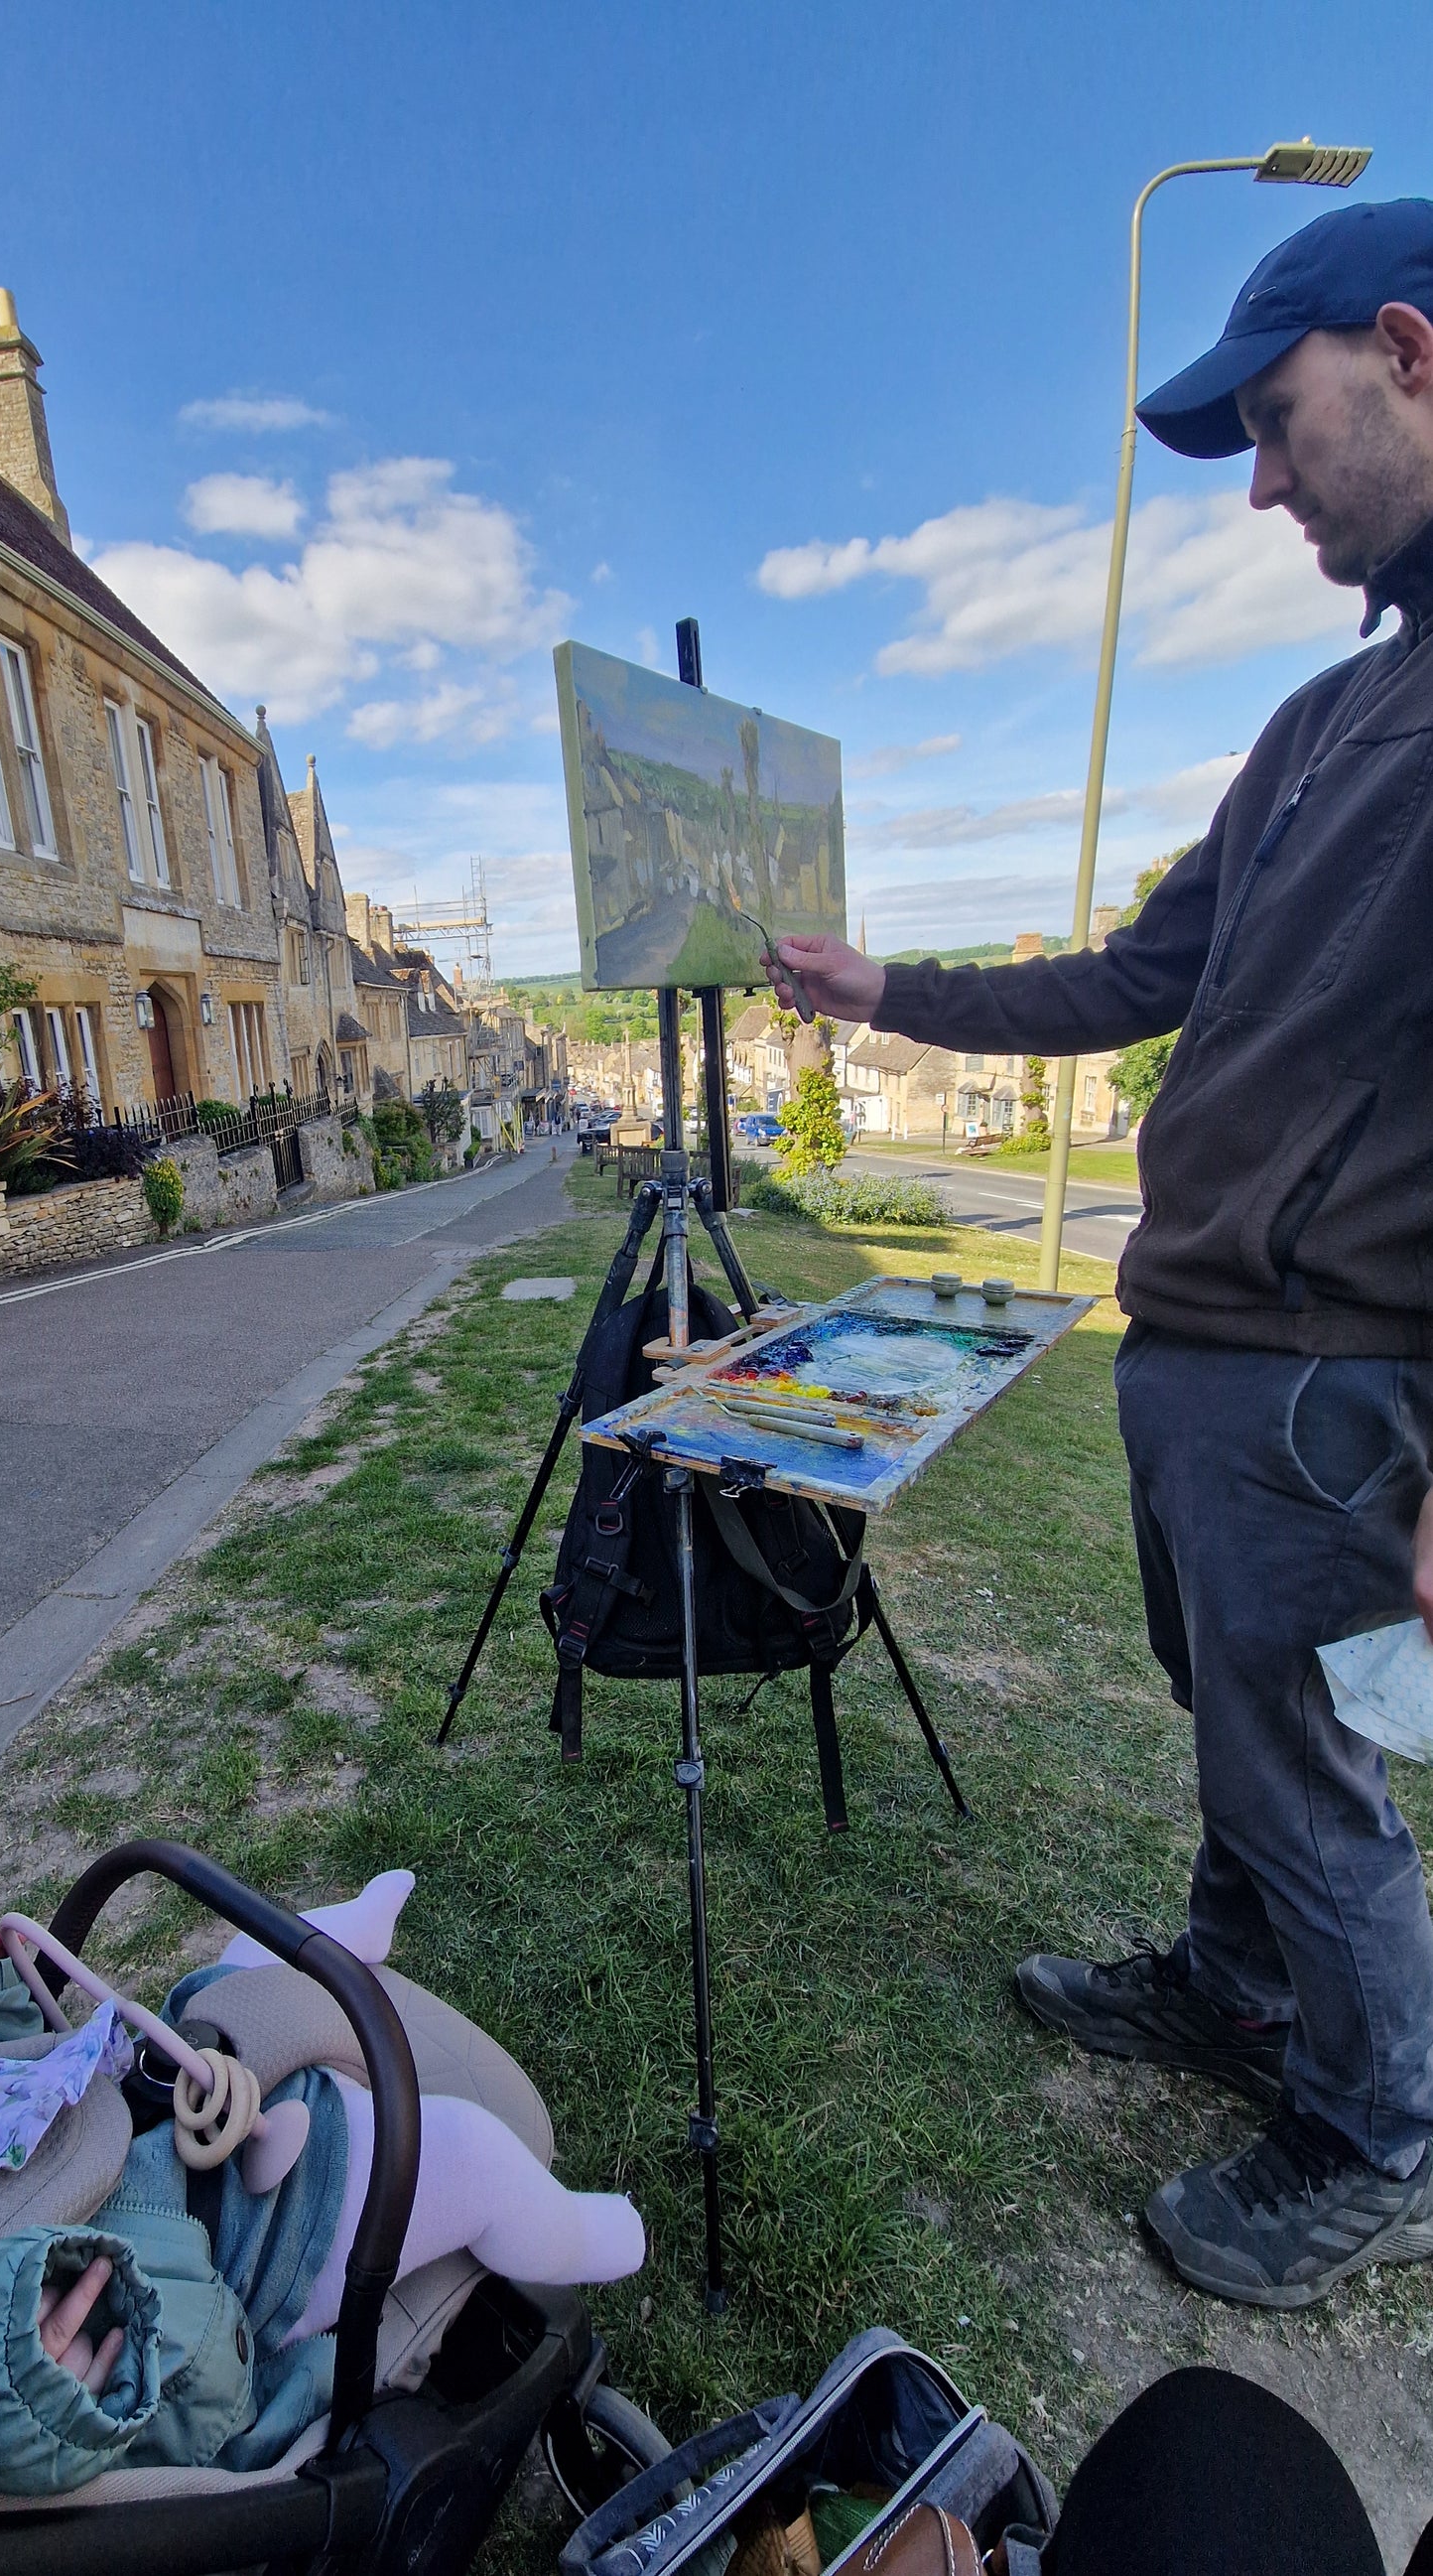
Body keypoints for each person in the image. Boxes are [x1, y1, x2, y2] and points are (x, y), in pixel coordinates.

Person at [769, 198, 1433, 2312]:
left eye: (1273, 417)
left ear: (1404, 350)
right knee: (1231, 1725)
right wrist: (885, 988)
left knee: (1313, 1769)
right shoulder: (1330, 722)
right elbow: (1133, 970)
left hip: (1344, 1373)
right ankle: (1237, 1984)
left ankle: (1373, 2121)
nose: (1258, 482)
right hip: (1205, 1348)